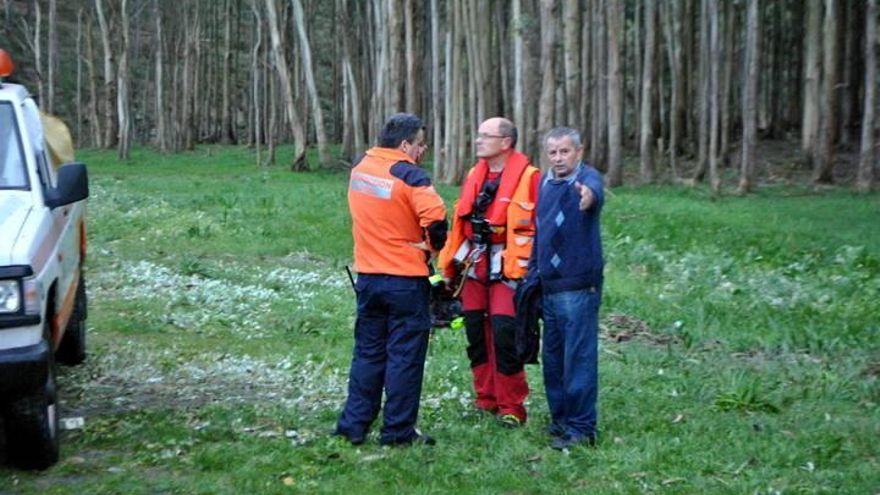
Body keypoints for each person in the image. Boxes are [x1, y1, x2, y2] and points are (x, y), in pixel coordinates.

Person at [335, 113, 448, 446]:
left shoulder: (360, 165)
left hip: (368, 277)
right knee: (404, 358)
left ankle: (353, 426)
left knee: (368, 354)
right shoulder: (411, 175)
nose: (422, 150)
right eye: (420, 143)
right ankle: (397, 433)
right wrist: (429, 246)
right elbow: (438, 219)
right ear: (404, 144)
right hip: (405, 280)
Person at [438, 117, 540, 427]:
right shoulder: (474, 175)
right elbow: (459, 223)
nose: (478, 140)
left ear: (506, 142)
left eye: (485, 135)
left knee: (504, 332)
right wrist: (449, 266)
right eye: (478, 134)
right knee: (474, 331)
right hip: (472, 262)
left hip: (507, 267)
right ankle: (485, 398)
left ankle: (512, 406)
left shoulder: (530, 177)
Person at [531, 127, 605, 449]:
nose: (558, 158)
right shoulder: (544, 184)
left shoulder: (587, 179)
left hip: (578, 287)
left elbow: (593, 193)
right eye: (553, 152)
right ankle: (560, 420)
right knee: (554, 359)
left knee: (579, 358)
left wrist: (588, 197)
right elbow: (540, 230)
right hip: (549, 285)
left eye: (565, 151)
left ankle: (582, 428)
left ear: (579, 151)